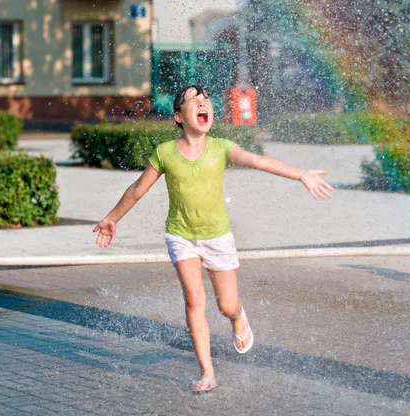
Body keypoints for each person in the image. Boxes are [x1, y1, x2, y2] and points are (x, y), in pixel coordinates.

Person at [93, 85, 333, 393]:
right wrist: (112, 218)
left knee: (227, 305)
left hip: (217, 237)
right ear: (180, 117)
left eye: (206, 100)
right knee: (194, 300)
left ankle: (238, 317)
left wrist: (301, 174)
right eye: (195, 101)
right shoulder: (165, 153)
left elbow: (259, 160)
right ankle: (207, 372)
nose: (203, 103)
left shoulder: (221, 147)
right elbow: (137, 189)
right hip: (181, 236)